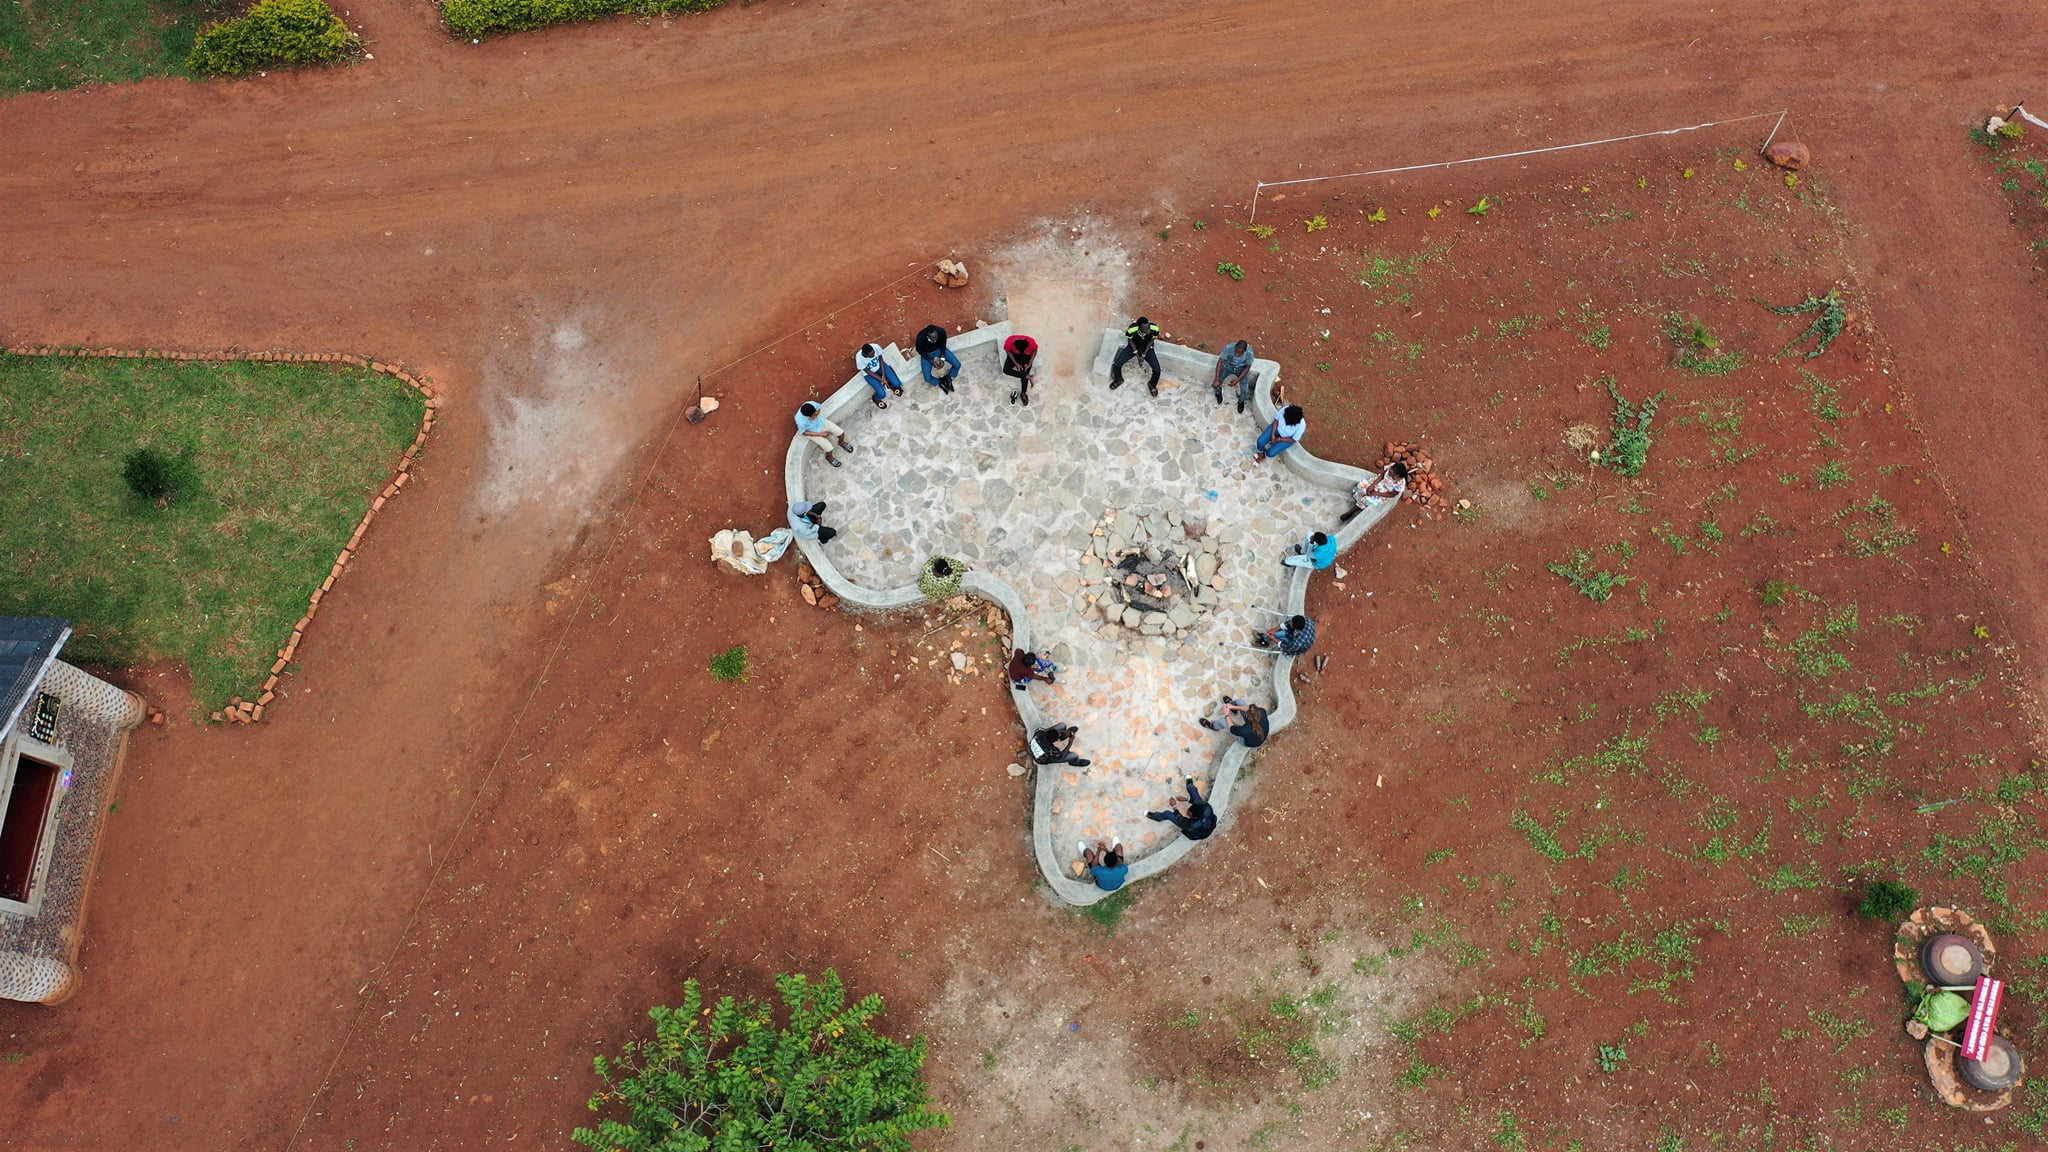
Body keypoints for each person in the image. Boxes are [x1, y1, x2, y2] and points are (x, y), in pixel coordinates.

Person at [1146, 777, 1217, 841]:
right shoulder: (1207, 808)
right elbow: (1199, 802)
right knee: (1193, 790)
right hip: (1209, 821)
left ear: (1193, 817)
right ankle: (1190, 784)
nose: (1187, 813)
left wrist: (1174, 807)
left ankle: (1154, 817)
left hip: (1198, 833)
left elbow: (1181, 820)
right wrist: (1186, 799)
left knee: (1168, 814)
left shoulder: (1193, 825)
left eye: (1188, 813)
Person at [1109, 316, 1163, 395]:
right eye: (1146, 329)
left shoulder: (1154, 328)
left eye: (1148, 327)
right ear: (1139, 328)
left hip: (1147, 348)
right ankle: (1118, 380)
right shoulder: (1132, 329)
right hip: (1133, 347)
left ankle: (1152, 384)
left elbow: (1152, 340)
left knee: (1157, 370)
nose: (1148, 330)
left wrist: (1144, 354)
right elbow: (1130, 340)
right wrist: (1137, 355)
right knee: (1117, 365)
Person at [1341, 461, 1409, 522]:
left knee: (1367, 500)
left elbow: (1392, 494)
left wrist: (1376, 493)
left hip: (1384, 493)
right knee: (1362, 487)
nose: (1388, 473)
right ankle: (1359, 501)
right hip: (1379, 483)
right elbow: (1382, 476)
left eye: (1390, 473)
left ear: (1396, 476)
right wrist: (1372, 486)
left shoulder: (1400, 484)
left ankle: (1350, 512)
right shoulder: (1392, 467)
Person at [793, 401, 854, 468]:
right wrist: (821, 434)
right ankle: (829, 457)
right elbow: (804, 432)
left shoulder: (812, 404)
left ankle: (841, 442)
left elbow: (818, 408)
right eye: (813, 416)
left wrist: (817, 413)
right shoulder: (800, 421)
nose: (815, 417)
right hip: (812, 431)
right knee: (829, 448)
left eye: (815, 414)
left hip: (821, 423)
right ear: (808, 417)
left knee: (841, 432)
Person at [1198, 696, 1269, 748]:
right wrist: (1232, 707)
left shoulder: (1245, 730)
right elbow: (1247, 708)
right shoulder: (1261, 711)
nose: (1247, 708)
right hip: (1254, 730)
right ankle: (1233, 708)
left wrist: (1226, 714)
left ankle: (1212, 726)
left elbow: (1232, 728)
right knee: (1239, 702)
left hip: (1248, 741)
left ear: (1249, 717)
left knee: (1222, 721)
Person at [855, 343, 904, 409]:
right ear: (866, 355)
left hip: (880, 367)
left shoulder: (875, 347)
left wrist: (883, 375)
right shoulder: (859, 359)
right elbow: (868, 371)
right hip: (869, 374)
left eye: (874, 352)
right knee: (882, 395)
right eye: (871, 355)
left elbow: (881, 360)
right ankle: (875, 398)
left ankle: (889, 384)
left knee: (897, 383)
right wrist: (881, 379)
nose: (874, 354)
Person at [914, 324, 960, 394]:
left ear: (937, 333)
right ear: (927, 336)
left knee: (957, 365)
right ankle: (940, 382)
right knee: (927, 378)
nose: (935, 340)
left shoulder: (941, 331)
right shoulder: (921, 337)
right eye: (932, 338)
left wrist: (942, 357)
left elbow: (943, 344)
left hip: (939, 350)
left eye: (936, 337)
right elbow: (920, 350)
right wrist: (930, 360)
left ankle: (949, 377)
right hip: (927, 354)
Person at [1213, 340, 1256, 411]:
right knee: (1217, 382)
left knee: (1245, 389)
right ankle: (1218, 393)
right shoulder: (1228, 348)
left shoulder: (1249, 353)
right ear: (1235, 347)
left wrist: (1237, 380)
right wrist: (1216, 379)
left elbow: (1247, 367)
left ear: (1245, 351)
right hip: (1228, 365)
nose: (1237, 354)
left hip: (1241, 369)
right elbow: (1220, 361)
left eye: (1240, 353)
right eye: (1236, 351)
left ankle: (1241, 401)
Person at [1002, 334, 1038, 406]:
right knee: (1006, 370)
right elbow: (1008, 351)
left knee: (1024, 370)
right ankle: (1028, 376)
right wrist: (1016, 363)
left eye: (1024, 351)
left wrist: (1030, 363)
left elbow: (1035, 350)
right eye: (1019, 351)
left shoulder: (1031, 342)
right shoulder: (1009, 341)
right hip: (1014, 355)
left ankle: (1023, 393)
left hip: (1026, 357)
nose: (1021, 352)